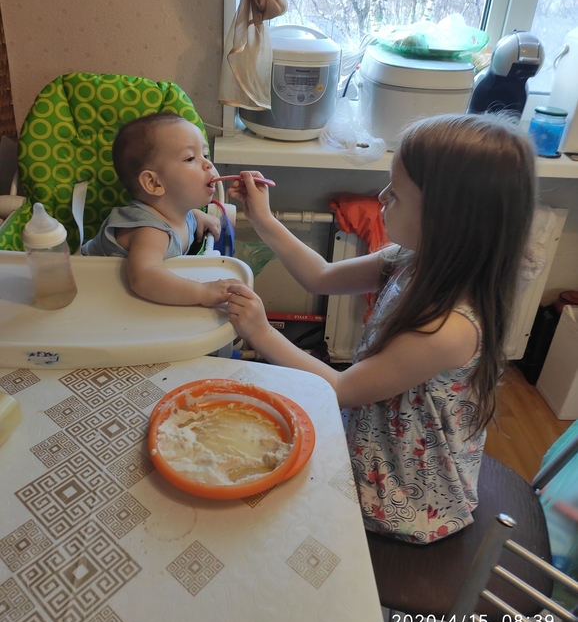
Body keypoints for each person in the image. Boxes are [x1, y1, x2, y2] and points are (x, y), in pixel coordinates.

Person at [226, 113, 536, 543]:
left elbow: (342, 388)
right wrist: (263, 218)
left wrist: (261, 333)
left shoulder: (449, 329)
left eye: (397, 193)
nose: (382, 196)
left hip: (404, 492)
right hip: (372, 431)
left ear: (447, 219)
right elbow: (320, 275)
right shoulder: (413, 258)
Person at [81, 113, 243, 306]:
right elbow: (144, 278)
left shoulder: (176, 211)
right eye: (190, 158)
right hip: (90, 293)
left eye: (205, 155)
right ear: (154, 183)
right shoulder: (150, 232)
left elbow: (180, 215)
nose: (208, 164)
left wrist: (197, 216)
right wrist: (203, 292)